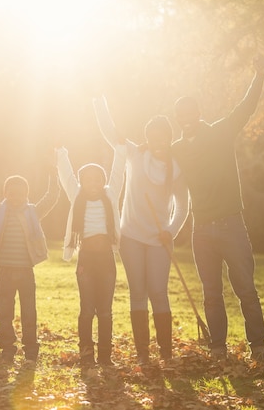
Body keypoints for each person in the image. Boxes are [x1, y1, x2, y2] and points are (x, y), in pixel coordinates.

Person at [171, 55, 264, 363]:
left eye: (189, 113)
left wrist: (260, 75)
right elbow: (153, 156)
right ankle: (218, 349)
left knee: (245, 289)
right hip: (202, 230)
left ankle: (258, 347)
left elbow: (245, 107)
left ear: (198, 113)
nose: (185, 119)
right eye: (180, 115)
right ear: (177, 119)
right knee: (211, 292)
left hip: (231, 225)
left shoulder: (221, 131)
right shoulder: (177, 149)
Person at [93, 98, 190, 365]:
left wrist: (171, 230)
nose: (157, 142)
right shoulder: (135, 155)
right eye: (152, 137)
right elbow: (109, 131)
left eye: (162, 138)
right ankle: (143, 355)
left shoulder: (176, 168)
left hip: (159, 240)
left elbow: (183, 204)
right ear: (146, 137)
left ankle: (166, 354)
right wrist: (99, 100)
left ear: (169, 138)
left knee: (158, 291)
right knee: (138, 291)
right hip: (131, 237)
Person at [0, 148, 60, 365]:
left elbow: (52, 197)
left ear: (27, 194)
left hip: (26, 271)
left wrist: (53, 170)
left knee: (29, 312)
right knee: (4, 312)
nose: (16, 197)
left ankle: (31, 350)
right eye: (11, 193)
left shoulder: (33, 212)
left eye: (20, 193)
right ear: (5, 193)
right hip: (5, 270)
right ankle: (7, 348)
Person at [55, 142, 126, 367]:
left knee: (105, 310)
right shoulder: (76, 195)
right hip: (86, 259)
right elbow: (66, 174)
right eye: (88, 180)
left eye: (98, 180)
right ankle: (86, 355)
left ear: (104, 182)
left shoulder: (111, 194)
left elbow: (118, 172)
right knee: (87, 309)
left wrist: (120, 149)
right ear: (81, 182)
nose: (93, 184)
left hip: (106, 260)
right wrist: (61, 152)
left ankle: (105, 356)